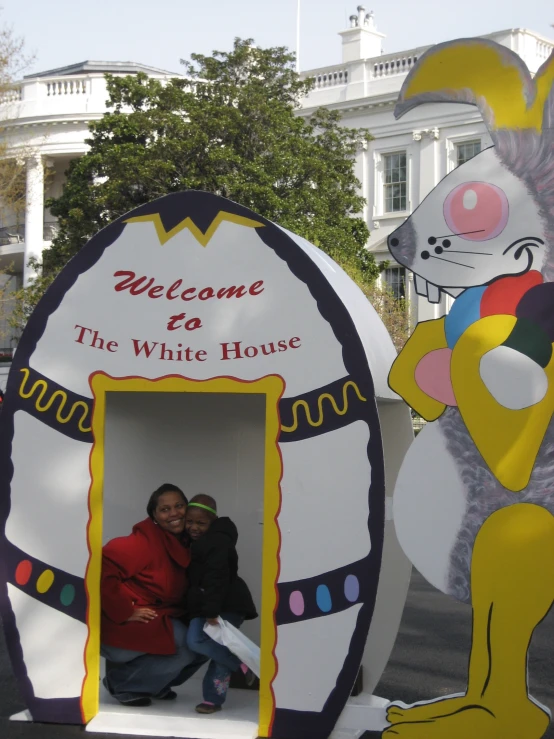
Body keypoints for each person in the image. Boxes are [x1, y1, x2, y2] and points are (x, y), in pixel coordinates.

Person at [100, 483, 207, 707]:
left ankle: (153, 684)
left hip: (161, 618)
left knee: (206, 644)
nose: (174, 513)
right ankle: (121, 683)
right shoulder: (145, 541)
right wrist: (124, 610)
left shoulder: (189, 541)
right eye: (165, 509)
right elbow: (103, 564)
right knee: (187, 646)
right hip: (126, 624)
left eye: (179, 506)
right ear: (155, 516)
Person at [185, 494, 258, 714]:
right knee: (196, 640)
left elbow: (216, 578)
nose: (194, 527)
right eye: (190, 522)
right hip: (210, 603)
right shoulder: (199, 541)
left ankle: (212, 699)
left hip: (227, 604)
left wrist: (211, 611)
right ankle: (241, 665)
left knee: (218, 646)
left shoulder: (217, 541)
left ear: (212, 521)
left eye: (201, 523)